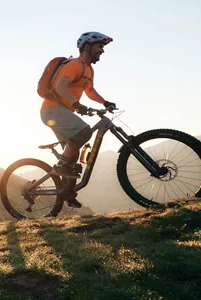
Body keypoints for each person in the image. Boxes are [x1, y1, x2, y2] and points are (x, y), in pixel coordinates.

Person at [39, 31, 117, 208]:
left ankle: (67, 193)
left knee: (72, 157)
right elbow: (61, 86)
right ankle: (61, 166)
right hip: (52, 110)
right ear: (87, 47)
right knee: (84, 132)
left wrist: (104, 102)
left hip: (61, 112)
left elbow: (89, 91)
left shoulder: (89, 69)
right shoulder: (75, 64)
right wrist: (76, 104)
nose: (102, 51)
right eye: (99, 46)